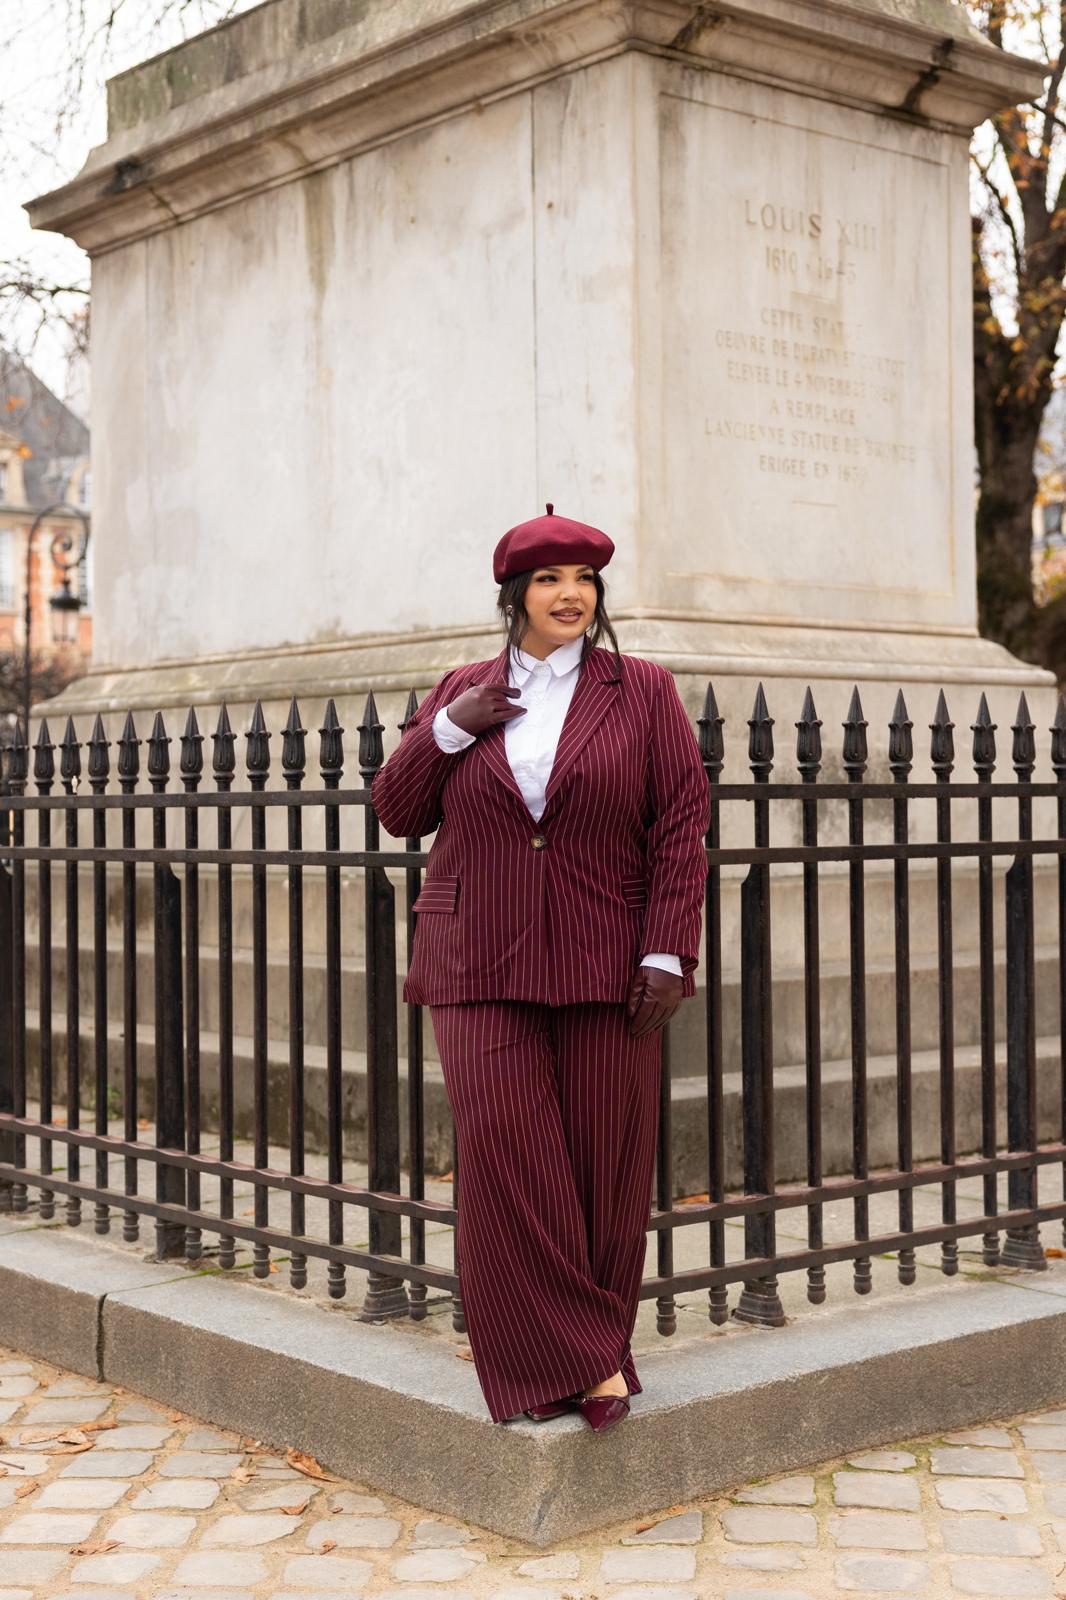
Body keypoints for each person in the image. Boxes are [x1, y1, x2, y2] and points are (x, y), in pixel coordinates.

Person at [371, 505, 708, 1431]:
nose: (571, 595)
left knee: (605, 1161)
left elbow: (681, 826)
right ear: (515, 594)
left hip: (608, 957)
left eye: (585, 580)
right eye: (552, 580)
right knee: (509, 1156)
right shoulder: (462, 687)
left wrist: (668, 948)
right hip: (475, 954)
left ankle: (577, 1355)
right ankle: (586, 1361)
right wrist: (447, 729)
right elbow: (397, 810)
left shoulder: (641, 690)